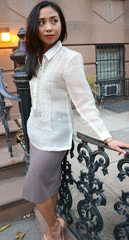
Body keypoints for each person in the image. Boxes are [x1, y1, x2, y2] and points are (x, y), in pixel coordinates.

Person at [22, 1, 129, 240]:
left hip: (55, 138)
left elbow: (84, 104)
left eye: (54, 20)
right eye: (41, 22)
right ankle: (55, 224)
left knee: (35, 189)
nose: (49, 27)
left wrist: (106, 137)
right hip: (35, 133)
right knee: (47, 186)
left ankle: (53, 229)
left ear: (62, 24)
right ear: (34, 27)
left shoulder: (70, 58)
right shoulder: (34, 57)